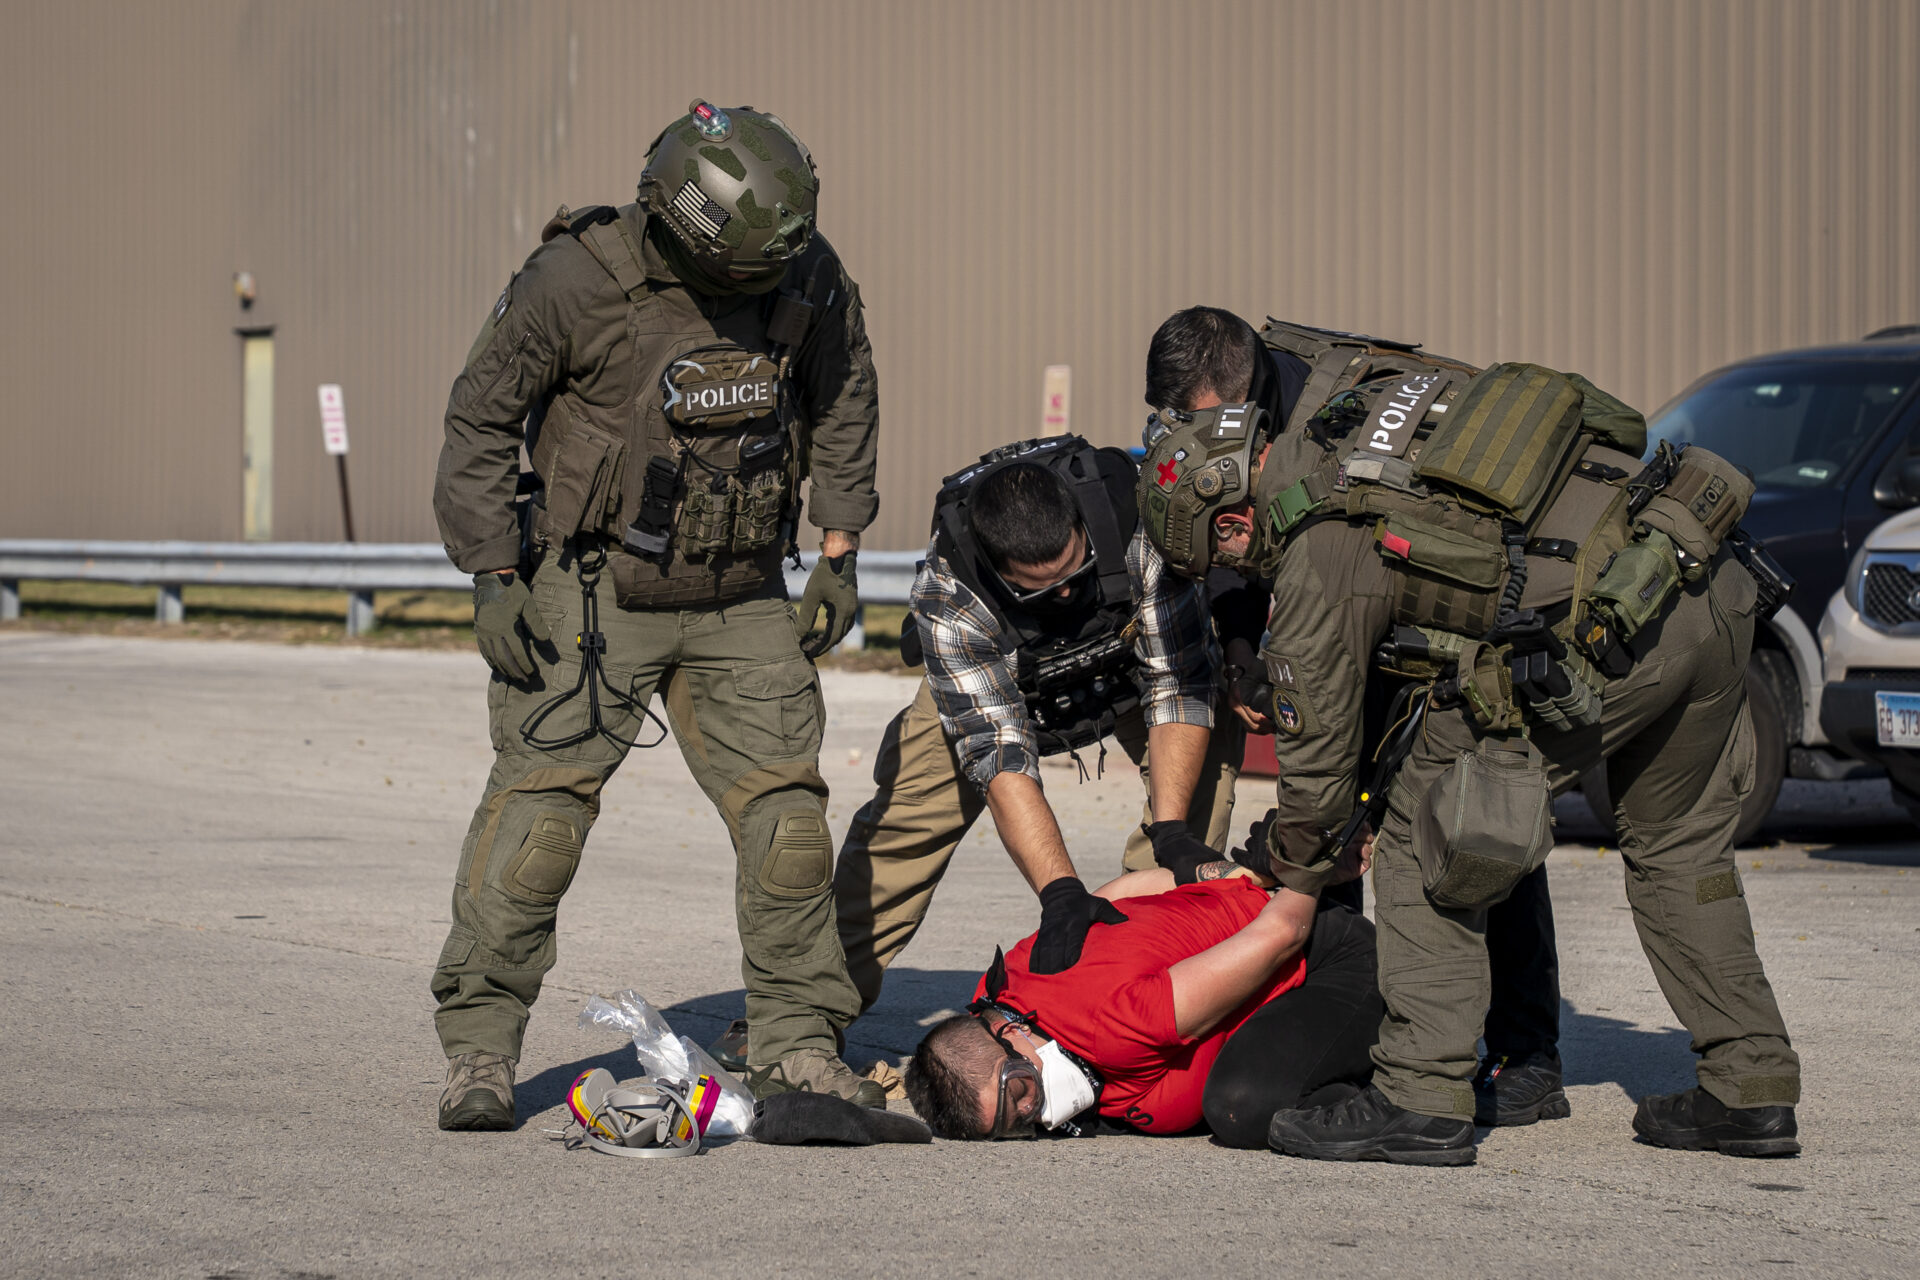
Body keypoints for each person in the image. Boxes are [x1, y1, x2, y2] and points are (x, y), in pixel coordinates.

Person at [1138, 307, 1802, 1164]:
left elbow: (1320, 764)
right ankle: (1749, 1089)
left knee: (1423, 823)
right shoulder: (1354, 384)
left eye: (1222, 555)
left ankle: (1420, 1095)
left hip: (1604, 629)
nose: (1232, 569)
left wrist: (1299, 869)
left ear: (1229, 515)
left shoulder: (1312, 541)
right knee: (1682, 851)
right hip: (1699, 575)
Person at [428, 100, 884, 1130]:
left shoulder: (803, 270)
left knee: (788, 824)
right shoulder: (576, 282)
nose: (769, 284)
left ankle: (799, 1040)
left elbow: (845, 390)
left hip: (740, 589)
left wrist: (841, 546)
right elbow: (482, 416)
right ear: (683, 225)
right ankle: (479, 1049)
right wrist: (494, 571)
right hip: (591, 590)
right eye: (748, 270)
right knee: (539, 820)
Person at [1142, 309, 1568, 1132]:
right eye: (1181, 422)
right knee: (1331, 808)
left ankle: (1525, 1050)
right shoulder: (1194, 420)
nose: (1198, 433)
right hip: (1321, 611)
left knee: (1465, 819)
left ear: (1253, 387)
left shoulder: (1335, 412)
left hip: (1420, 618)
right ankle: (1373, 1015)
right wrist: (1239, 641)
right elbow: (1210, 533)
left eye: (1210, 418)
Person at [832, 435, 1248, 1016]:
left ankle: (1132, 985)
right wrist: (1060, 894)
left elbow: (1178, 683)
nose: (1069, 594)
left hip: (1131, 657)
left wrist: (1173, 830)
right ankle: (808, 1012)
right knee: (903, 827)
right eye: (1045, 589)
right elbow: (999, 754)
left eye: (1076, 573)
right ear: (1000, 571)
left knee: (1202, 783)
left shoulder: (1141, 526)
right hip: (1002, 679)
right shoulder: (950, 594)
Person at [904, 849, 1380, 1144]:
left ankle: (1396, 1079)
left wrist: (1302, 865)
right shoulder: (993, 996)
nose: (1039, 1114)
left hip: (1323, 956)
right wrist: (1240, 874)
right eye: (1016, 1125)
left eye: (1023, 1090)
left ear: (1011, 1032)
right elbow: (1122, 897)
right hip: (1265, 956)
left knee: (1242, 1107)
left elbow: (1283, 933)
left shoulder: (1115, 1025)